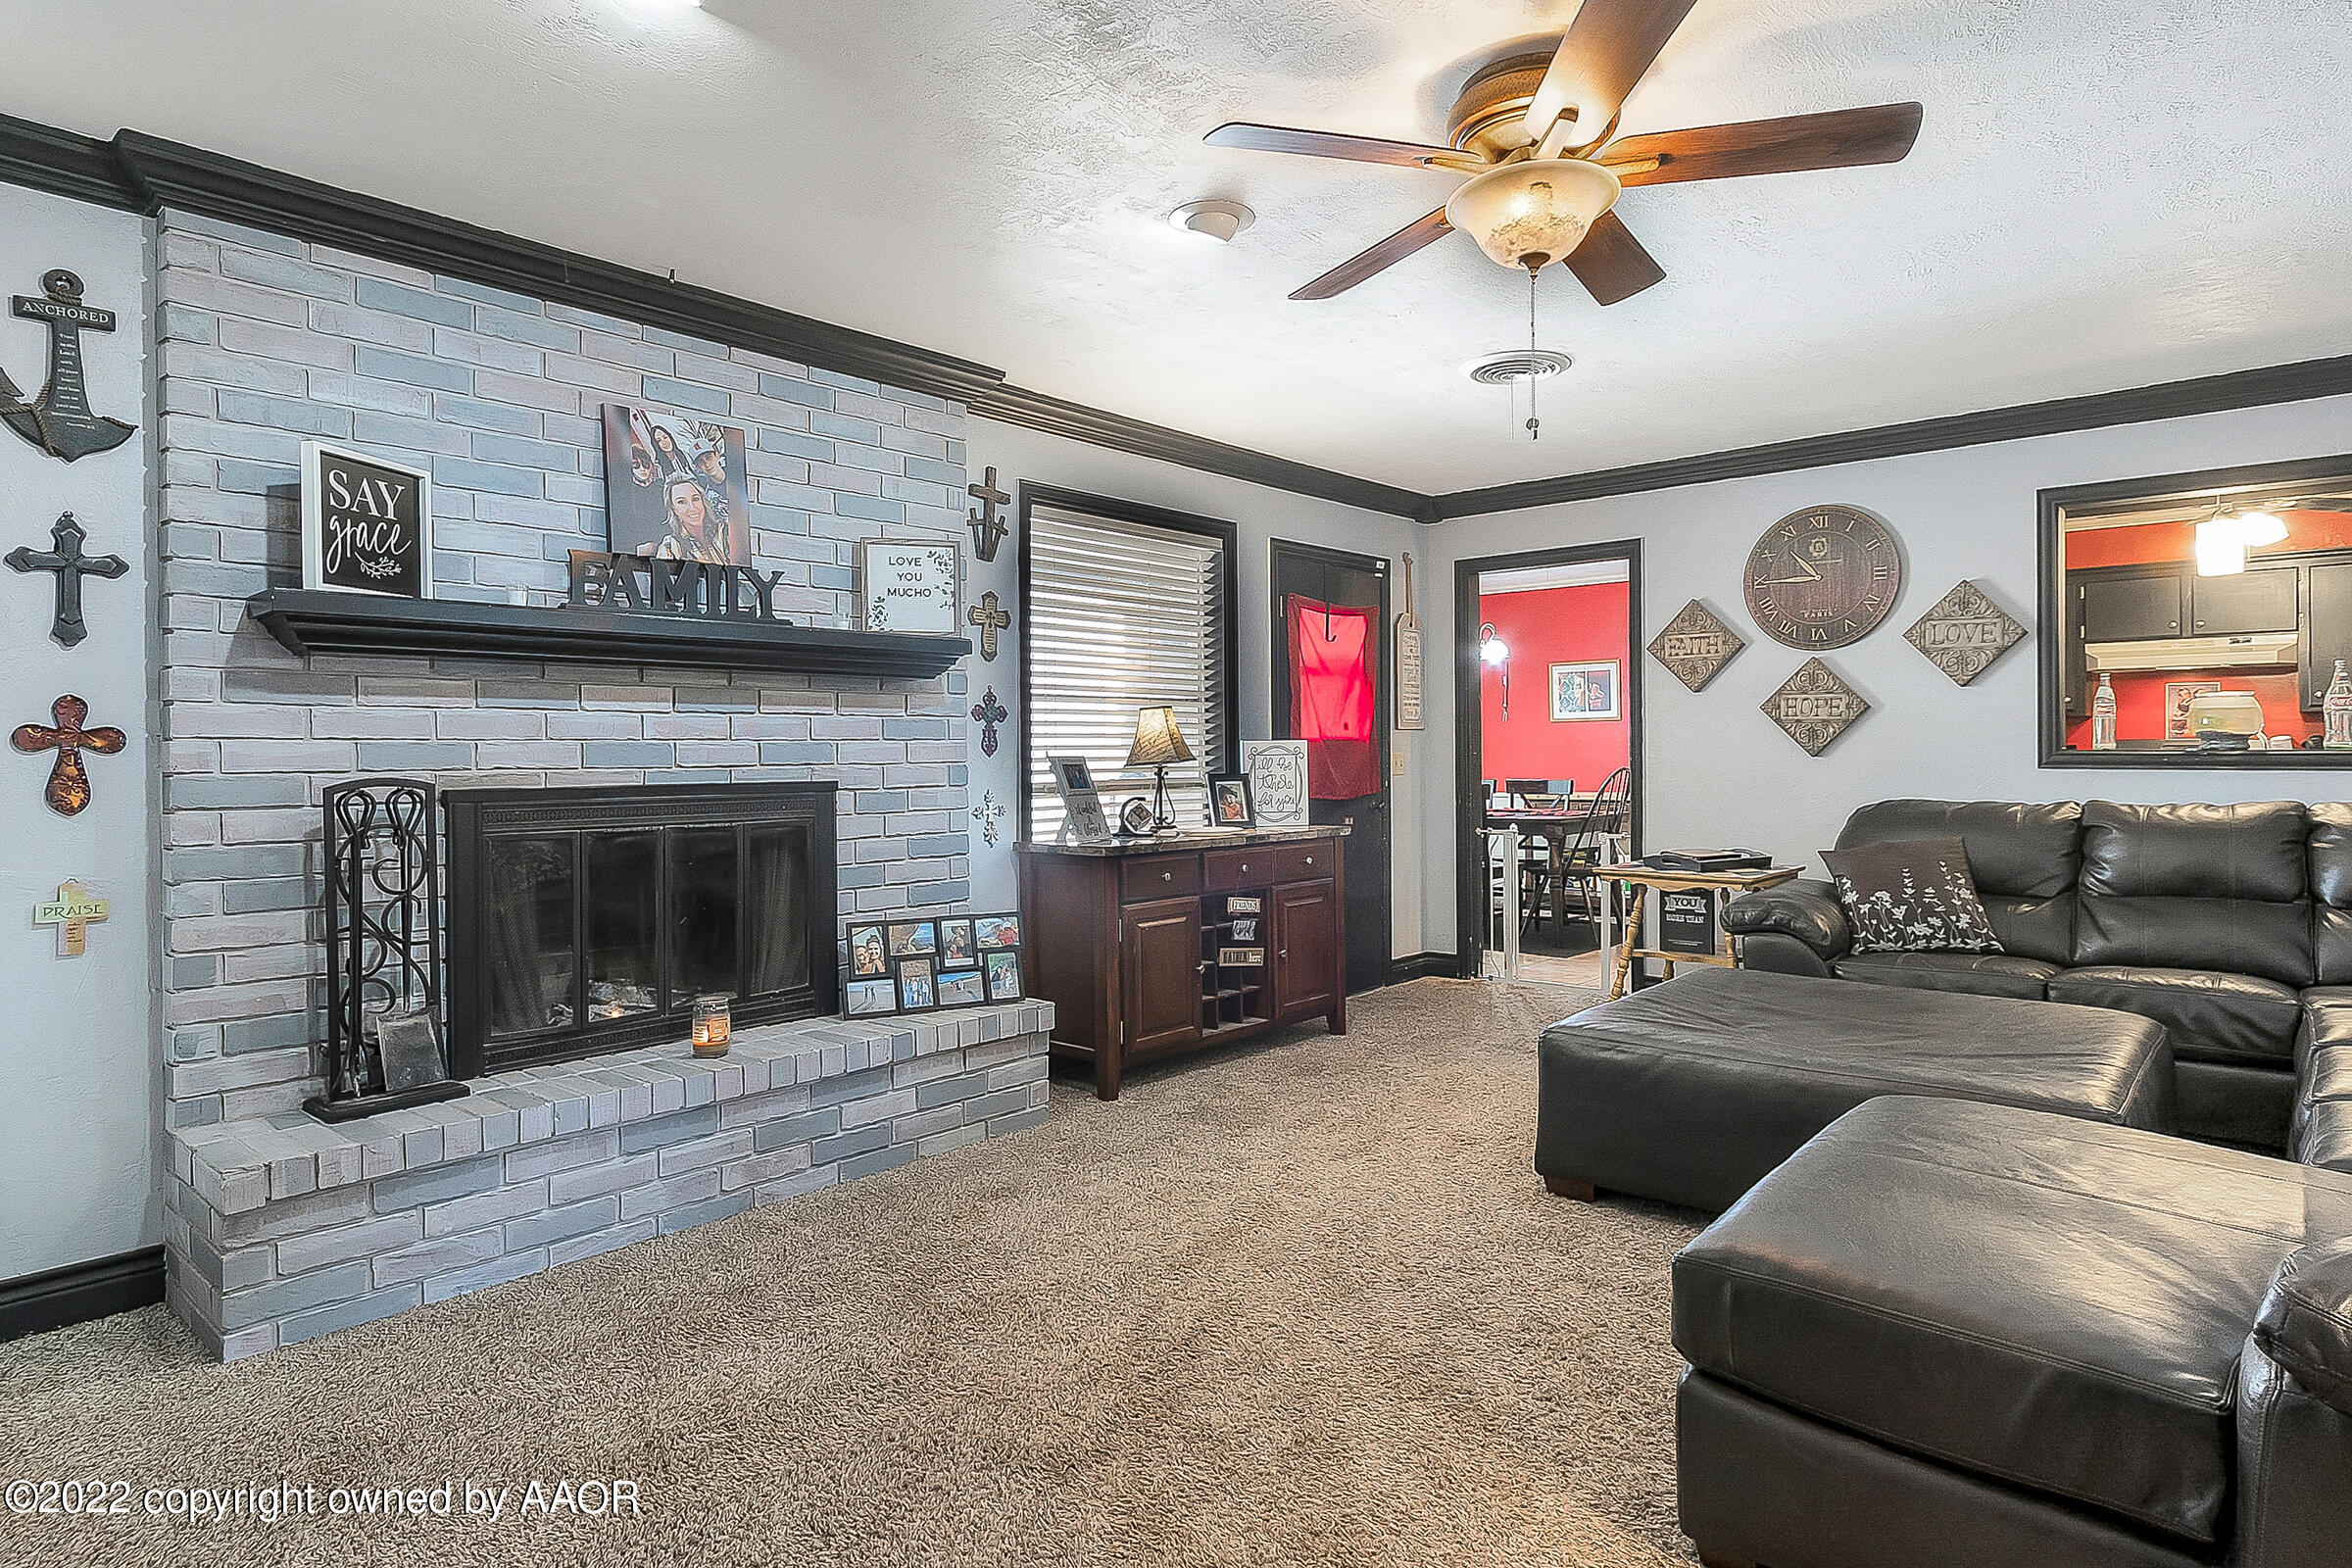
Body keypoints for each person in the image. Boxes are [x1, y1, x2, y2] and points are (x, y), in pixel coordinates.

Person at [654, 473, 731, 564]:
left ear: (703, 500)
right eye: (682, 502)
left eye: (695, 499)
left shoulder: (725, 530)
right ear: (673, 509)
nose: (692, 508)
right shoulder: (670, 547)